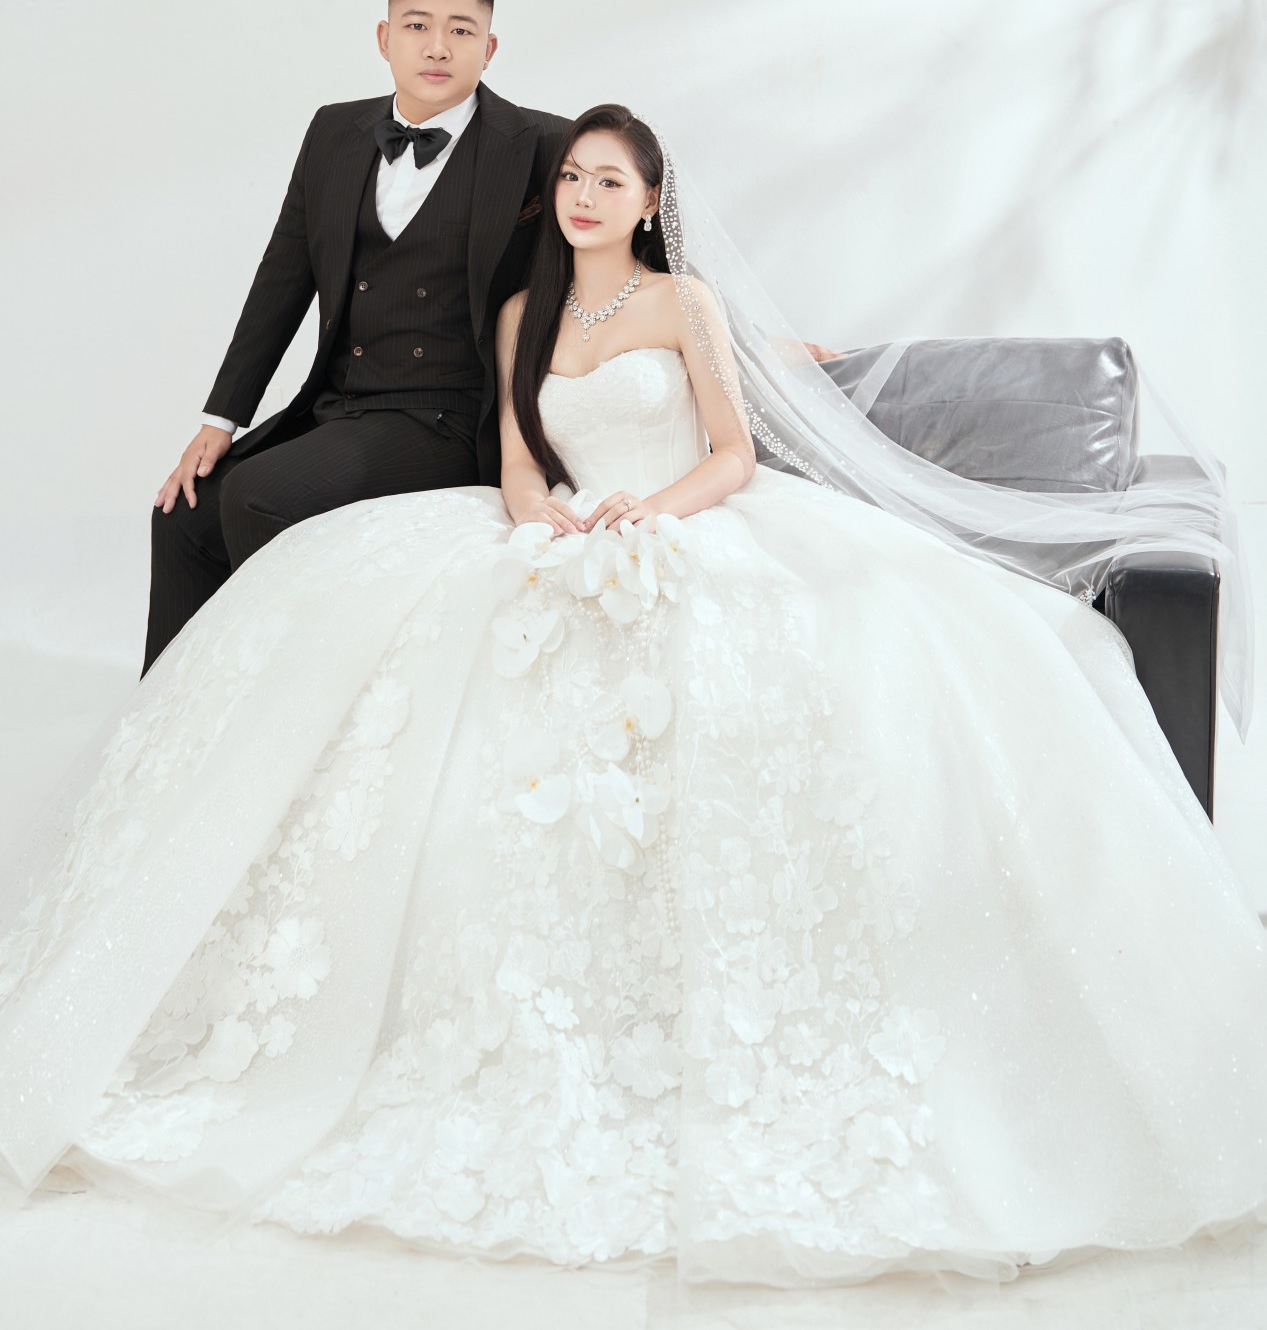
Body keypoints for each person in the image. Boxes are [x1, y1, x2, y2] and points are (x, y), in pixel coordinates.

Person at [1, 106, 1265, 1290]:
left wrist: (648, 515)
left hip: (684, 521)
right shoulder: (521, 315)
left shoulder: (683, 302)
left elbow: (734, 451)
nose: (583, 194)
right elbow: (514, 456)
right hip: (558, 531)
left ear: (649, 201)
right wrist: (542, 519)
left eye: (609, 179)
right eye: (571, 175)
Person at [143, 0, 568, 673]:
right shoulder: (333, 132)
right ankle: (166, 714)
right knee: (182, 513)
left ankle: (278, 691)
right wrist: (219, 420)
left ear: (490, 47)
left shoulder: (542, 144)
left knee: (256, 497)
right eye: (417, 25)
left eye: (461, 30)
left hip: (448, 416)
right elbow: (282, 278)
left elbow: (627, 254)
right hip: (340, 403)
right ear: (384, 38)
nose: (437, 47)